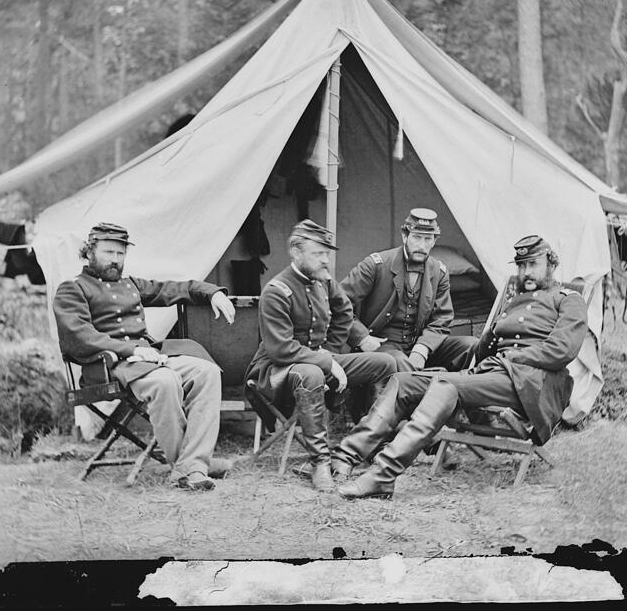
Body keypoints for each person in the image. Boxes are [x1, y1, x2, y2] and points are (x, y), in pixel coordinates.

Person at [332, 234, 587, 499]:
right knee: (405, 381)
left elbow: (562, 351)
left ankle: (382, 475)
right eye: (521, 266)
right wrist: (490, 335)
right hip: (494, 374)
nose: (526, 272)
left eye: (533, 264)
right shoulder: (514, 301)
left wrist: (511, 359)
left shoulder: (567, 299)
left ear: (552, 263)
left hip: (530, 385)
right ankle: (346, 454)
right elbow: (484, 349)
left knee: (444, 386)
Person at [53, 222, 236, 492]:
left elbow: (173, 289)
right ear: (90, 251)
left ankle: (194, 463)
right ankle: (190, 469)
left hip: (149, 358)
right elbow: (79, 335)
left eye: (120, 253)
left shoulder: (131, 285)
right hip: (111, 367)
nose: (115, 260)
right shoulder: (73, 289)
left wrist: (212, 293)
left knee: (206, 371)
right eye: (108, 252)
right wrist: (131, 350)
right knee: (164, 381)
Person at [245, 220, 397, 492]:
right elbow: (280, 349)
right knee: (312, 373)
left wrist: (333, 352)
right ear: (296, 252)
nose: (326, 260)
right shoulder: (276, 291)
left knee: (385, 363)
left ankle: (369, 447)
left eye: (327, 253)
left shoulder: (323, 281)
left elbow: (345, 312)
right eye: (318, 254)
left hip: (315, 362)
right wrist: (327, 363)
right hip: (274, 372)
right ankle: (320, 462)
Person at [341, 208, 477, 375]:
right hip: (382, 346)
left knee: (470, 346)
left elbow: (442, 318)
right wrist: (362, 338)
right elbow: (338, 304)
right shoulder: (375, 265)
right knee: (398, 362)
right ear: (405, 236)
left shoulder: (439, 272)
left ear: (434, 241)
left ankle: (454, 392)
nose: (422, 245)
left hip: (418, 345)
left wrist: (422, 348)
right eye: (417, 237)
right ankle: (423, 391)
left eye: (428, 239)